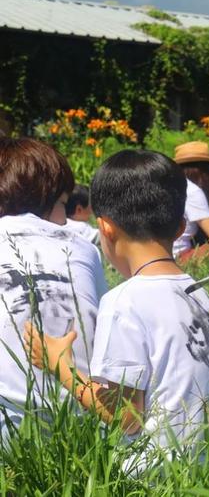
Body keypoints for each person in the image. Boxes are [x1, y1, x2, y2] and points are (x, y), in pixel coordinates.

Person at [24, 149, 209, 472]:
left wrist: (60, 366)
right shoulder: (200, 293)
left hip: (151, 479)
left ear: (105, 229)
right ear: (180, 228)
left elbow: (126, 417)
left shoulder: (124, 301)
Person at [0, 138, 106, 439]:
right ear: (46, 199)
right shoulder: (85, 248)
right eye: (62, 205)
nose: (64, 220)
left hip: (9, 428)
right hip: (88, 423)